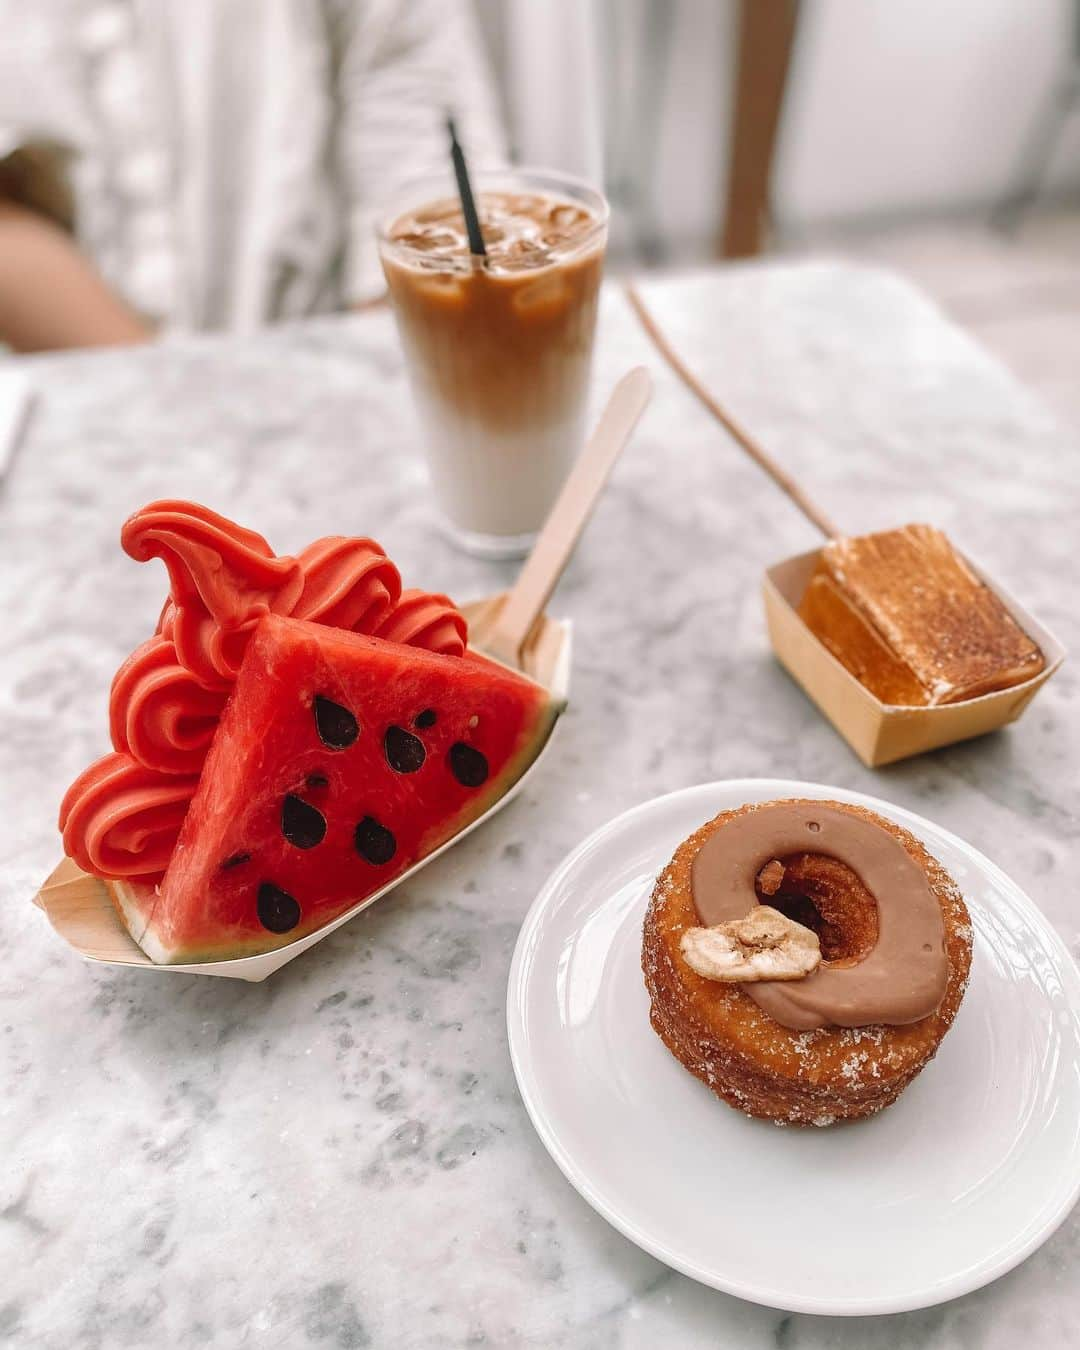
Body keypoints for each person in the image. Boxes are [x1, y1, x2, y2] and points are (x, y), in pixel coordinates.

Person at [0, 0, 506, 351]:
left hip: (333, 363)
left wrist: (368, 382)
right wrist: (168, 408)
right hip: (74, 400)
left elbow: (423, 150)